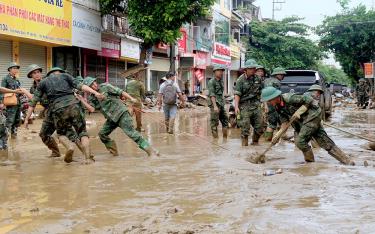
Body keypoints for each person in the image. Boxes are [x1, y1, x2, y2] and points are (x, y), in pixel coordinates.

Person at [260, 86, 355, 165]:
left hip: (312, 116)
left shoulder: (290, 98)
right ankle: (348, 162)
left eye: (269, 100)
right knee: (323, 141)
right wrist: (278, 134)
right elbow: (284, 123)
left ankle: (310, 163)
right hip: (301, 122)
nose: (268, 103)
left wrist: (300, 110)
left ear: (275, 97)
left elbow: (309, 100)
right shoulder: (277, 107)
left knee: (300, 141)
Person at [26, 67, 104, 164]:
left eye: (38, 72)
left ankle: (86, 155)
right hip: (51, 113)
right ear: (31, 76)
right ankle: (56, 152)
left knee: (71, 134)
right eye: (34, 73)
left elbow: (74, 89)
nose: (37, 74)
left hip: (57, 110)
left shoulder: (50, 79)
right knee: (43, 134)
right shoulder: (34, 88)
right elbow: (34, 101)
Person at [83, 76, 158, 157]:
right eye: (91, 85)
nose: (94, 85)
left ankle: (150, 150)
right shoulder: (92, 98)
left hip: (121, 113)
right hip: (111, 119)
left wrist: (131, 98)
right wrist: (82, 100)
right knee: (102, 134)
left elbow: (120, 92)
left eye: (93, 83)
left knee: (131, 133)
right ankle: (114, 152)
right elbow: (92, 109)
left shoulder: (105, 87)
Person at [234, 59, 264, 146]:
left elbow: (262, 92)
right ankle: (244, 147)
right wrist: (236, 107)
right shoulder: (240, 80)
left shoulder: (258, 78)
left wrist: (264, 104)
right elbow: (237, 94)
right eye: (250, 68)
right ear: (246, 69)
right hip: (244, 105)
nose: (252, 70)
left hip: (256, 104)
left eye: (254, 68)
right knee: (245, 128)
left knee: (260, 127)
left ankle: (255, 143)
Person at [263, 67, 287, 141]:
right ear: (277, 75)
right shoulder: (276, 82)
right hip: (272, 103)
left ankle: (281, 136)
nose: (283, 76)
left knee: (272, 121)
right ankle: (267, 140)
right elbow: (276, 95)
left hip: (264, 102)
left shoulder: (266, 80)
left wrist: (264, 104)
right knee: (272, 122)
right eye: (282, 75)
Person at [1, 62, 22, 139]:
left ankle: (14, 136)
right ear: (10, 69)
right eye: (14, 68)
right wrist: (2, 102)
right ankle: (4, 139)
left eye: (17, 68)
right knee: (9, 121)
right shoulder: (5, 79)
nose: (16, 70)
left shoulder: (16, 79)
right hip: (10, 103)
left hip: (17, 102)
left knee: (17, 120)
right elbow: (1, 91)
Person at [207, 65, 228, 138]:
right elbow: (212, 95)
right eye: (219, 71)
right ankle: (215, 141)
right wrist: (215, 106)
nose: (221, 72)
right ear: (215, 72)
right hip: (215, 105)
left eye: (222, 71)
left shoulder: (221, 81)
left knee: (225, 121)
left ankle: (225, 139)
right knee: (214, 123)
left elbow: (220, 93)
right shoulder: (211, 82)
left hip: (221, 104)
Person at [124, 66, 146, 132]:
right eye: (140, 75)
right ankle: (139, 128)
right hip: (137, 102)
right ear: (138, 76)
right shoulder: (140, 83)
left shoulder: (128, 83)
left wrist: (126, 100)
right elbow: (143, 94)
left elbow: (125, 92)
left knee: (129, 116)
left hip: (128, 101)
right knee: (138, 116)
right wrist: (144, 101)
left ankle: (128, 128)